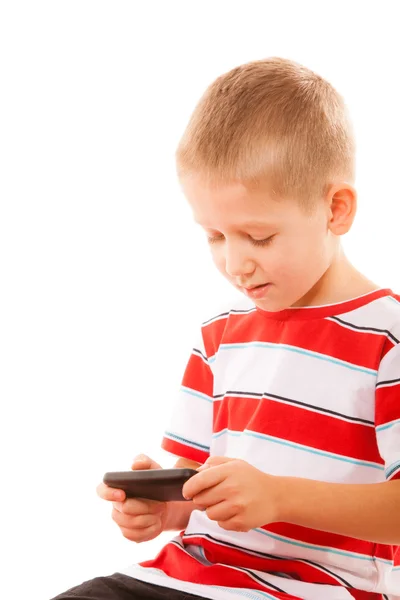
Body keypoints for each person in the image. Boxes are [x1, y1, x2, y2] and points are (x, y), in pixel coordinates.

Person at [52, 57, 400, 600]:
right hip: (186, 578)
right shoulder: (221, 336)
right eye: (215, 235)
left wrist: (279, 497)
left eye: (258, 237)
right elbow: (200, 485)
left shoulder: (387, 341)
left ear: (336, 209)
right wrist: (168, 506)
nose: (235, 262)